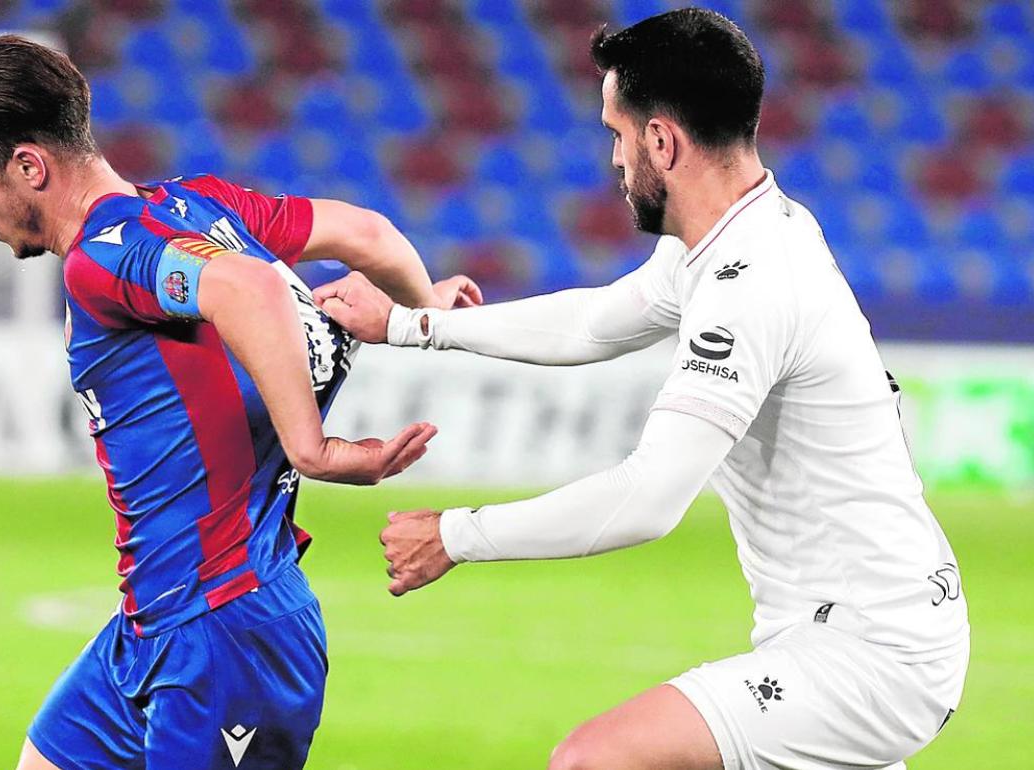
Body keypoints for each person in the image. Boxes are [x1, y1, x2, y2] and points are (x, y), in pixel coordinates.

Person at [315, 9, 968, 770]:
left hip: (872, 648)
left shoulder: (752, 282)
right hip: (856, 629)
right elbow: (594, 322)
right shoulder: (740, 235)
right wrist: (407, 325)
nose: (616, 161)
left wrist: (456, 536)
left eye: (617, 136)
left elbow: (647, 500)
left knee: (595, 759)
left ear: (662, 140)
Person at [0, 35, 479, 770]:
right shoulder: (204, 205)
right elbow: (366, 233)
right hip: (154, 622)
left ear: (29, 166)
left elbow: (244, 289)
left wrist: (313, 448)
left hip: (225, 630)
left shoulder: (104, 260)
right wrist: (419, 316)